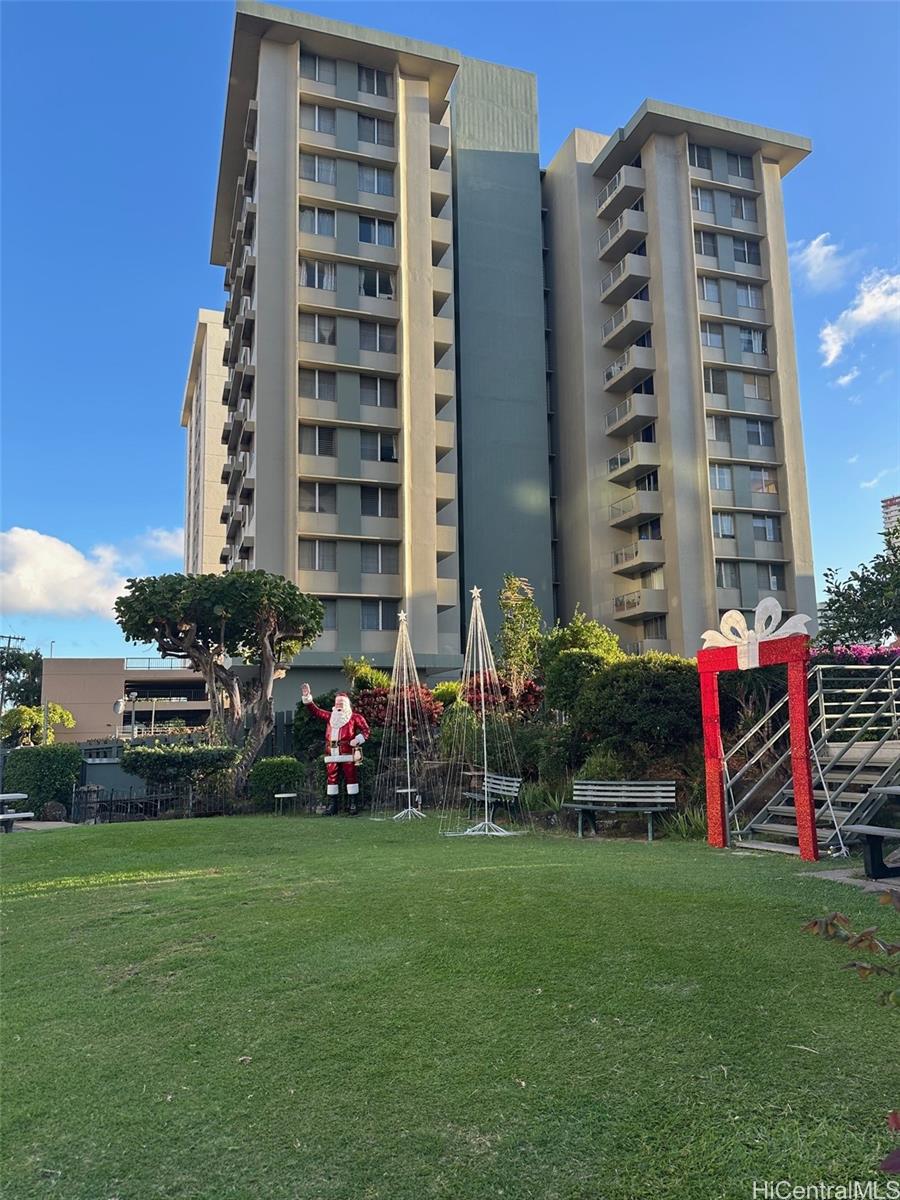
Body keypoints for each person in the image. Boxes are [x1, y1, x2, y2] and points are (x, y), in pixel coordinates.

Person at [300, 685, 370, 815]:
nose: (339, 705)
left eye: (341, 703)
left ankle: (353, 804)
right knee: (331, 778)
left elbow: (366, 730)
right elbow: (315, 711)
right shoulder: (330, 716)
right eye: (337, 703)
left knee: (351, 777)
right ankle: (333, 805)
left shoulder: (355, 717)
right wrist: (308, 698)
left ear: (347, 705)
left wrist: (358, 739)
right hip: (331, 752)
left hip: (348, 752)